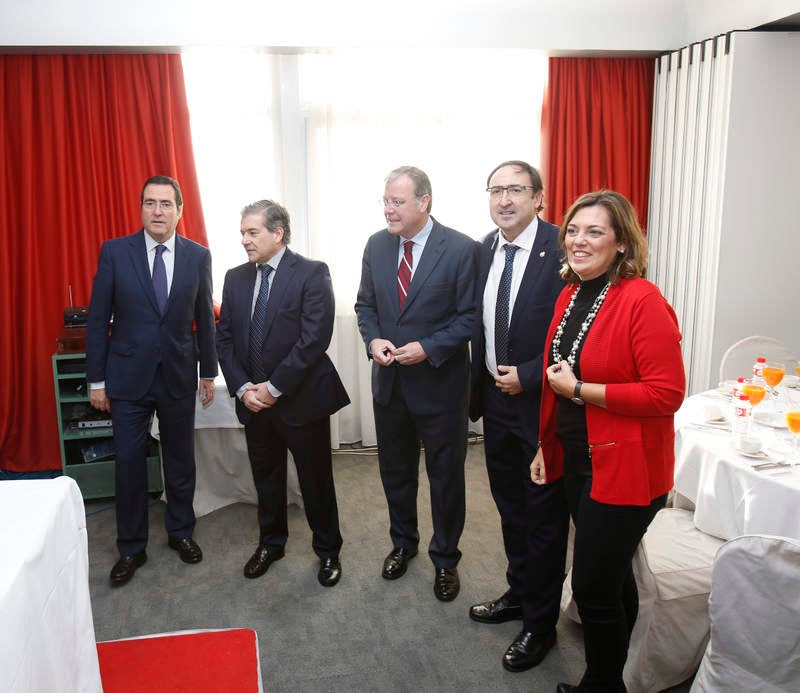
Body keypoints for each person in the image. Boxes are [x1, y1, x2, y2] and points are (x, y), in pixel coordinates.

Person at [529, 190, 686, 693]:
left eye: (594, 231)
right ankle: (611, 677)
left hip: (628, 469)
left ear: (621, 243)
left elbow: (666, 394)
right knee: (613, 578)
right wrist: (545, 444)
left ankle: (603, 685)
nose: (578, 240)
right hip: (580, 457)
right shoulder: (572, 292)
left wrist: (579, 390)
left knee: (594, 586)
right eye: (573, 230)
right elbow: (557, 377)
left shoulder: (643, 300)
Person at [86, 174, 217, 587]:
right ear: (140, 208)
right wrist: (96, 380)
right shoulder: (115, 252)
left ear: (179, 211)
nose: (157, 211)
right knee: (128, 463)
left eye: (165, 204)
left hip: (178, 373)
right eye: (150, 203)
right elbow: (96, 321)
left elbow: (205, 322)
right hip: (127, 377)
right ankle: (131, 547)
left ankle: (180, 532)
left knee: (180, 459)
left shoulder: (198, 256)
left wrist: (208, 371)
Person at [354, 165, 477, 601]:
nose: (388, 209)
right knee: (396, 473)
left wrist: (428, 347)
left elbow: (469, 317)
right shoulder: (376, 245)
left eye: (397, 201)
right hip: (390, 385)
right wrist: (374, 340)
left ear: (423, 202)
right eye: (386, 201)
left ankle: (446, 559)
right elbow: (365, 305)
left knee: (445, 478)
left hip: (440, 386)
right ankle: (402, 544)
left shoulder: (462, 249)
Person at [468, 161, 569, 671]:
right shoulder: (486, 247)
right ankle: (518, 593)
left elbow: (570, 334)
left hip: (541, 404)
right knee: (509, 507)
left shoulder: (562, 249)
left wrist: (528, 375)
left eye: (515, 190)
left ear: (539, 198)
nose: (504, 199)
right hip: (496, 403)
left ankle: (540, 624)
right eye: (496, 190)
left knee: (544, 518)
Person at [216, 199, 349, 587]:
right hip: (254, 404)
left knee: (315, 480)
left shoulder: (311, 273)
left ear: (278, 233)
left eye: (252, 232)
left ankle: (328, 552)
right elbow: (224, 340)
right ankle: (271, 544)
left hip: (300, 401)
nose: (244, 240)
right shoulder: (235, 277)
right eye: (242, 232)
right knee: (266, 477)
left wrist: (273, 388)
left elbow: (313, 339)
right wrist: (243, 389)